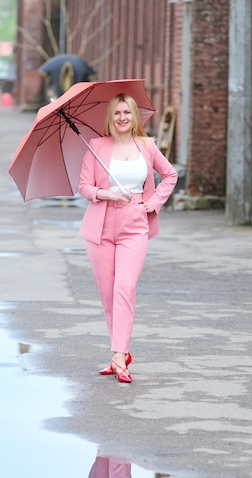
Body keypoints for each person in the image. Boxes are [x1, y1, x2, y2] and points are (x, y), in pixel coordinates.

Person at [78, 93, 178, 382]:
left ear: (135, 117)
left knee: (124, 287)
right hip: (101, 225)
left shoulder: (146, 146)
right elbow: (83, 185)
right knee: (108, 293)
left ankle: (119, 354)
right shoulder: (96, 146)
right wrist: (107, 193)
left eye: (127, 112)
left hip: (135, 223)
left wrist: (154, 202)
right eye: (117, 112)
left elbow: (169, 175)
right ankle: (118, 352)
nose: (122, 118)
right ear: (111, 117)